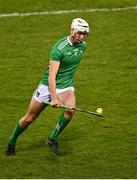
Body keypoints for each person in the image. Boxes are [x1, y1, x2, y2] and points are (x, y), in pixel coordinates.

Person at [6, 17, 90, 156]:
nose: (82, 36)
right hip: (47, 86)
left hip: (66, 86)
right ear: (72, 31)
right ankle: (12, 140)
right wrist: (54, 98)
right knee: (30, 118)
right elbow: (52, 76)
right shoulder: (58, 49)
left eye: (84, 34)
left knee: (70, 110)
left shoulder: (83, 46)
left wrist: (60, 94)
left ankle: (52, 139)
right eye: (80, 33)